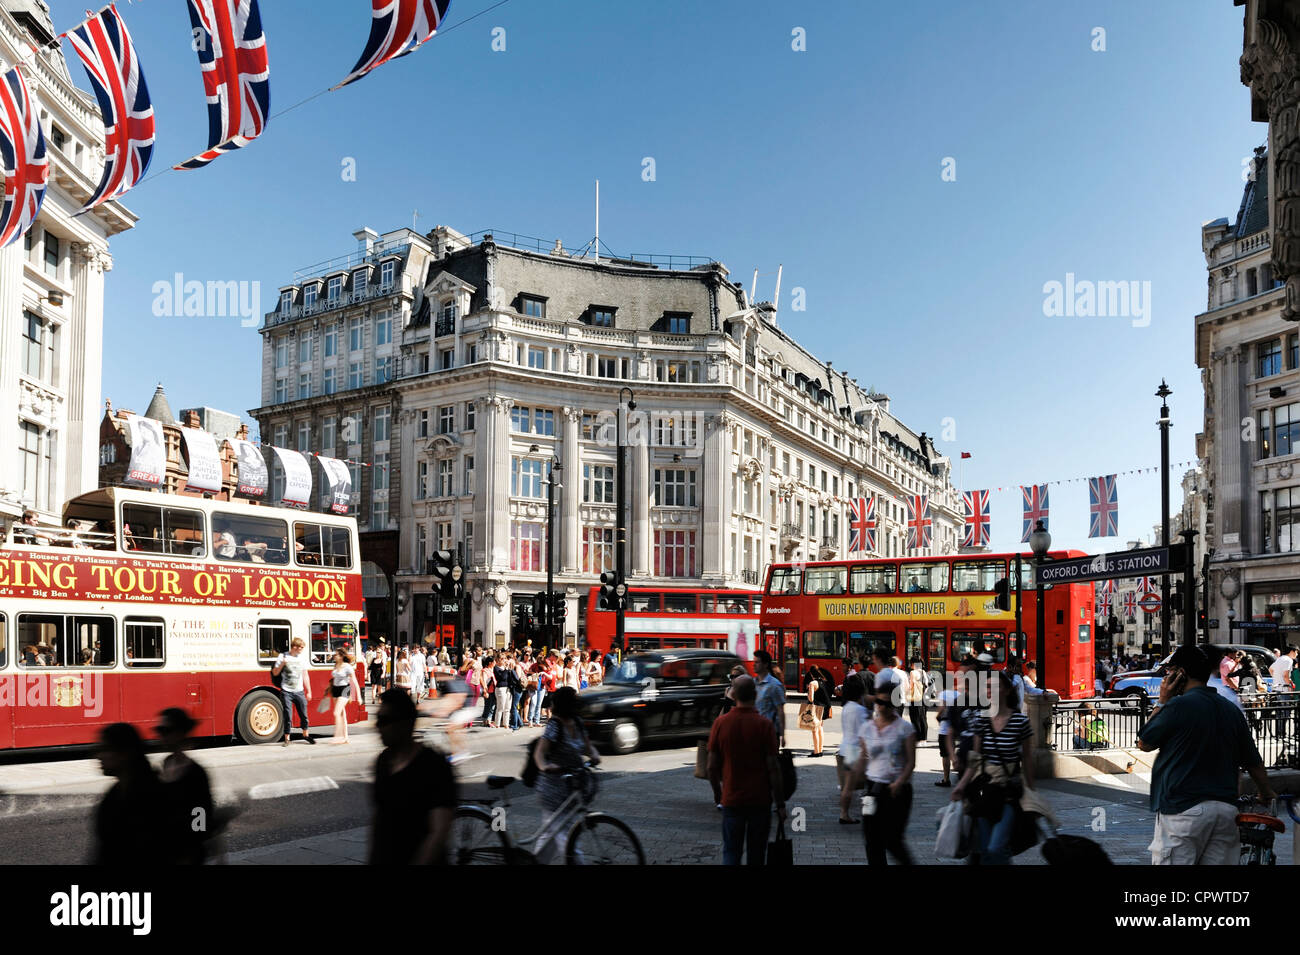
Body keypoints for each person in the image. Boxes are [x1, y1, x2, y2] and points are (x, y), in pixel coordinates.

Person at [1136, 644, 1276, 864]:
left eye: (1169, 671)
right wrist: (1266, 793)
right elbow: (1253, 761)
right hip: (1225, 811)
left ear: (1180, 673)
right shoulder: (1230, 709)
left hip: (1182, 809)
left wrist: (1162, 701)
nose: (1166, 677)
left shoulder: (1177, 706)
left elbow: (1144, 742)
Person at [951, 671, 1035, 865]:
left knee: (995, 847)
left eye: (993, 686)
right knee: (987, 849)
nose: (989, 691)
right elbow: (976, 758)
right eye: (987, 687)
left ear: (1006, 690)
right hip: (986, 793)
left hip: (1009, 793)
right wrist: (961, 785)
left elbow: (1028, 759)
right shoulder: (982, 720)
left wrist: (1032, 792)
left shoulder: (1020, 722)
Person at [706, 675, 786, 865]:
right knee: (756, 854)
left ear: (733, 695)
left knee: (731, 852)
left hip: (732, 799)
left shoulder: (721, 723)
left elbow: (711, 767)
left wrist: (718, 794)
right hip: (760, 801)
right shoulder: (764, 725)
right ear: (754, 694)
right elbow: (773, 769)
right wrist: (780, 803)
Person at [370, 690, 456, 864]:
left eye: (385, 720)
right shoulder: (383, 761)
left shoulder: (434, 766)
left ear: (406, 723)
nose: (378, 726)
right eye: (378, 719)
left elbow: (438, 832)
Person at [533, 686, 601, 859]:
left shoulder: (577, 723)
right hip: (553, 789)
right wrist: (545, 767)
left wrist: (593, 754)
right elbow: (539, 753)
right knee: (566, 839)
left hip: (572, 787)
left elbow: (587, 747)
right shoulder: (555, 725)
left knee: (551, 836)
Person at [854, 679, 917, 865]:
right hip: (871, 789)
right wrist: (849, 785)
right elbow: (863, 759)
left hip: (897, 789)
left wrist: (899, 782)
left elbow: (911, 763)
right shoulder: (867, 728)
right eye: (880, 702)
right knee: (871, 840)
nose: (883, 707)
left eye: (888, 704)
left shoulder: (905, 728)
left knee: (892, 840)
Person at [93, 723, 170, 865]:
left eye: (105, 749)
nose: (98, 756)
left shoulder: (153, 796)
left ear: (125, 753)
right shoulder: (114, 793)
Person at [155, 707, 216, 864]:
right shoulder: (163, 765)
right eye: (159, 730)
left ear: (181, 733)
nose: (161, 736)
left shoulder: (196, 774)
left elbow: (201, 820)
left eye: (166, 730)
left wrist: (191, 852)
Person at [837, 673, 869, 824]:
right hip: (855, 750)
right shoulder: (860, 710)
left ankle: (845, 813)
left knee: (848, 785)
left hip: (845, 748)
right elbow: (865, 733)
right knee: (857, 786)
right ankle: (850, 814)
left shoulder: (847, 707)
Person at [273, 637, 315, 745]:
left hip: (299, 691)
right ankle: (287, 738)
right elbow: (275, 673)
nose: (302, 650)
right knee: (288, 715)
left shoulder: (302, 658)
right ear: (294, 647)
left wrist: (309, 691)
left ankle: (305, 735)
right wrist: (282, 664)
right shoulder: (283, 656)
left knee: (304, 715)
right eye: (301, 647)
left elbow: (305, 675)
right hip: (286, 691)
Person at [752, 649, 786, 747]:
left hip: (769, 733)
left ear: (765, 664)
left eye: (757, 662)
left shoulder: (774, 685)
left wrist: (783, 735)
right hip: (755, 731)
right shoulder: (753, 683)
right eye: (754, 662)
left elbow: (780, 711)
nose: (754, 664)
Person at [329, 649, 363, 743]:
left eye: (336, 655)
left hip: (345, 689)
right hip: (335, 689)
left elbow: (355, 681)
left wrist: (359, 696)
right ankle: (345, 737)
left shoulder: (347, 666)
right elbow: (334, 679)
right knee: (342, 714)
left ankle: (338, 736)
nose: (334, 656)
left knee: (336, 712)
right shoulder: (336, 665)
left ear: (341, 656)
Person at [801, 668, 824, 757]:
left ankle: (816, 752)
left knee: (814, 730)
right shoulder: (822, 682)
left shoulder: (812, 683)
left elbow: (811, 699)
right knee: (820, 728)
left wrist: (808, 692)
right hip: (824, 707)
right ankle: (820, 750)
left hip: (816, 708)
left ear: (811, 674)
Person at [906, 657, 929, 741]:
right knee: (923, 718)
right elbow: (926, 684)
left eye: (910, 663)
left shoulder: (912, 672)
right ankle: (924, 738)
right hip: (924, 698)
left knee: (915, 718)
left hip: (916, 698)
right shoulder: (923, 672)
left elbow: (911, 686)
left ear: (913, 664)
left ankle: (918, 738)